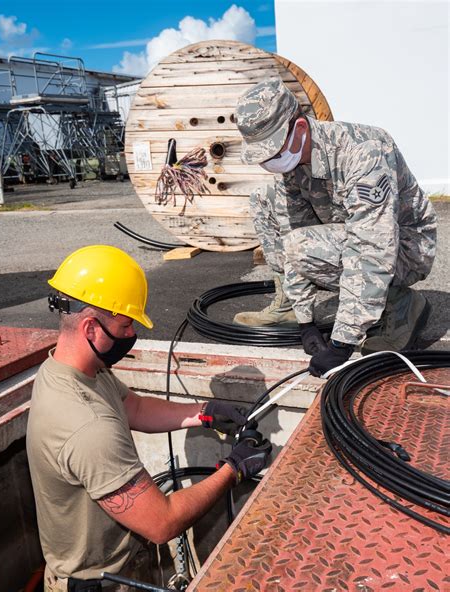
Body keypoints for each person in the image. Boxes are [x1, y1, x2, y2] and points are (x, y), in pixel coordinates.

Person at [26, 245, 271, 591]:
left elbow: (134, 408)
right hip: (100, 583)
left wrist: (203, 414)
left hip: (122, 565)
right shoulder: (87, 426)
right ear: (91, 328)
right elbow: (162, 522)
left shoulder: (70, 370)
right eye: (126, 324)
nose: (131, 335)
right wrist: (234, 469)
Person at [234, 77, 437, 377]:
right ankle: (289, 303)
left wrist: (342, 342)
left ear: (300, 128)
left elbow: (371, 247)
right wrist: (306, 322)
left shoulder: (364, 152)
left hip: (406, 247)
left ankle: (401, 305)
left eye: (273, 152)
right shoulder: (292, 162)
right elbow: (294, 233)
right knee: (263, 200)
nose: (270, 163)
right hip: (351, 234)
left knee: (303, 246)